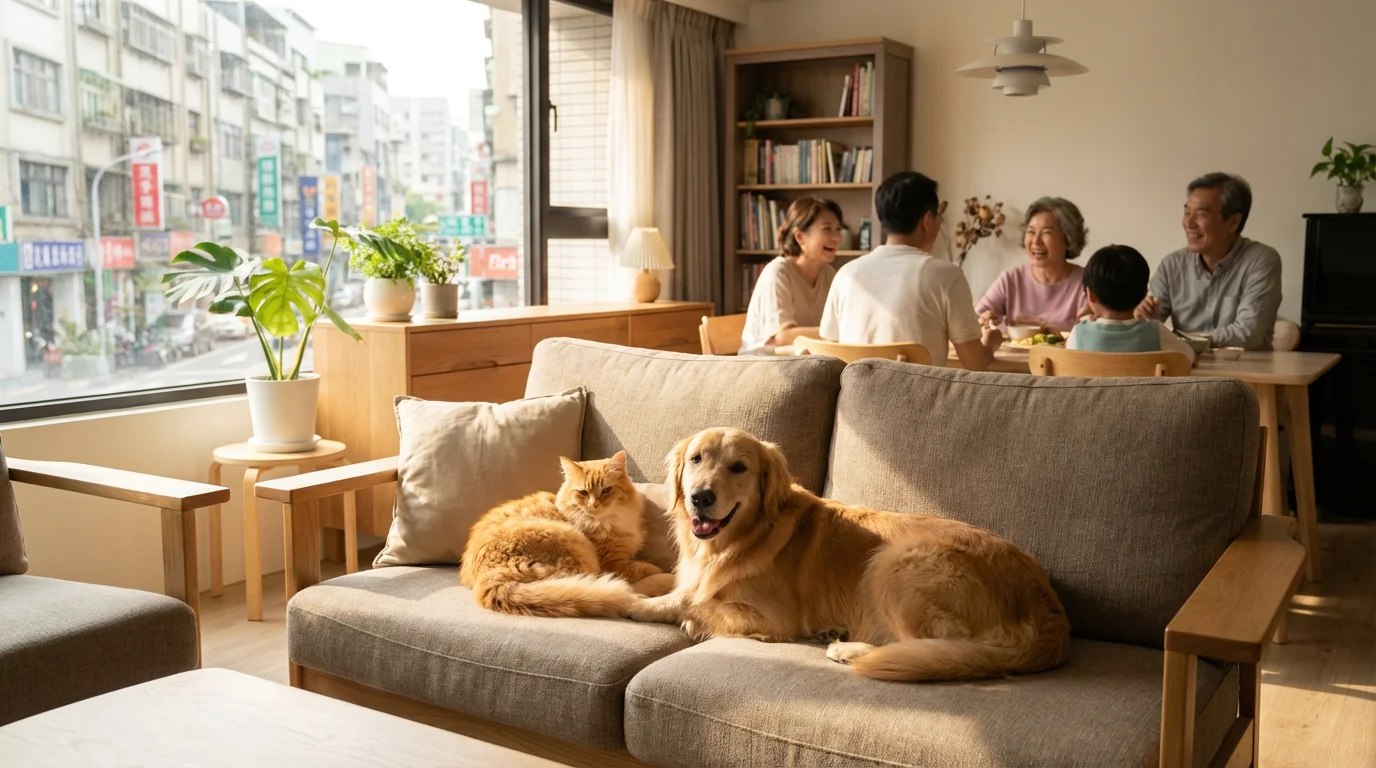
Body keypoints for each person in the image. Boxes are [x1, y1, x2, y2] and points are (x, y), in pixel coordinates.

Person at [820, 171, 1001, 370]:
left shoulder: (846, 274)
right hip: (921, 401)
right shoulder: (946, 275)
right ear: (926, 221)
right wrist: (990, 344)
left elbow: (829, 348)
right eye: (938, 216)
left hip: (853, 399)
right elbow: (975, 364)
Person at [1135, 172, 1282, 349]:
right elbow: (1146, 326)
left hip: (1248, 373)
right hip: (1186, 371)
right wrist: (1143, 317)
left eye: (1201, 214)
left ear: (1233, 222)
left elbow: (1248, 334)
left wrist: (1186, 341)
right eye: (1186, 212)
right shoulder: (1172, 265)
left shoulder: (1261, 260)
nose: (1188, 223)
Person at [739, 197, 844, 355]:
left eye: (838, 229)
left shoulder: (829, 274)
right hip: (764, 367)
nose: (836, 238)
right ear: (800, 237)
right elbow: (782, 337)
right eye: (827, 229)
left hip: (804, 362)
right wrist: (838, 332)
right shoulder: (777, 273)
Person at [1066, 245, 1196, 362]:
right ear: (1144, 294)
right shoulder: (1156, 331)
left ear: (1091, 295)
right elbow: (1188, 357)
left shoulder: (1079, 333)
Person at [976, 196, 1088, 332]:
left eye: (1047, 232)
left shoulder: (1086, 283)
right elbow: (975, 320)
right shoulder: (1011, 278)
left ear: (1068, 239)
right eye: (1031, 232)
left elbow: (1092, 333)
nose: (1036, 241)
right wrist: (989, 319)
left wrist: (1046, 328)